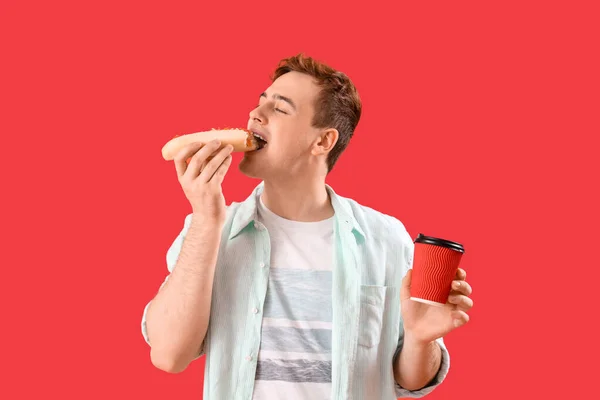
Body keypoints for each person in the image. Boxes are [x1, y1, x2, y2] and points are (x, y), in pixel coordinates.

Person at [141, 54, 474, 400]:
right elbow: (168, 356)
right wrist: (207, 218)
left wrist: (422, 339)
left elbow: (410, 380)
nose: (256, 115)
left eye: (280, 109)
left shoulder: (385, 238)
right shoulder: (210, 231)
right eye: (260, 103)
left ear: (322, 142)